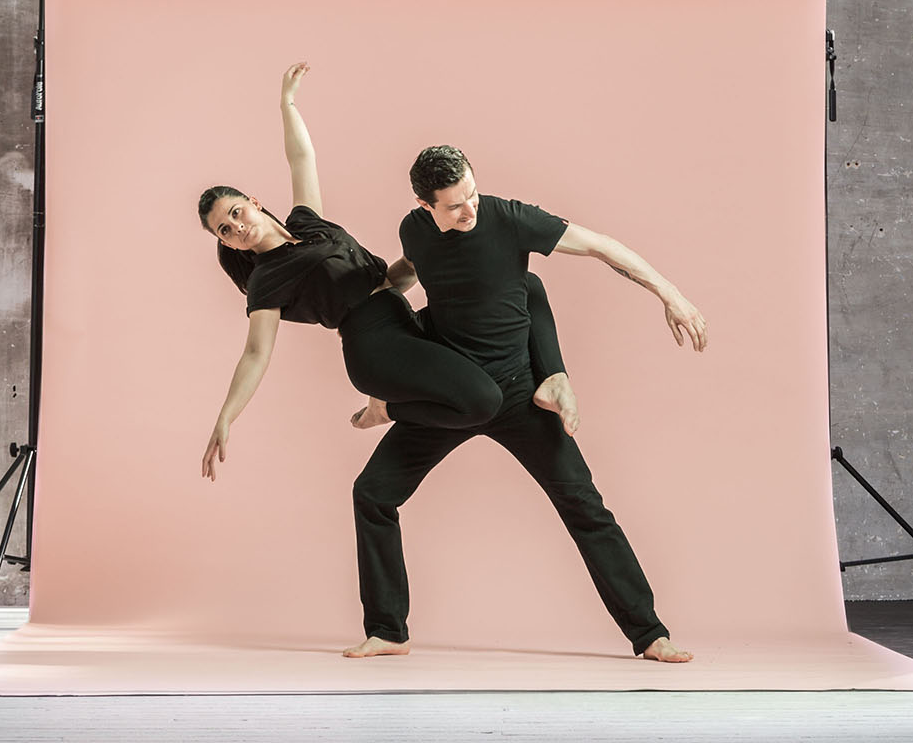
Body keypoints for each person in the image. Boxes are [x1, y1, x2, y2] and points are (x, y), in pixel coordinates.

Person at [344, 144, 707, 663]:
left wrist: (671, 294)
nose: (469, 209)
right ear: (425, 206)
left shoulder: (510, 218)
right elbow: (409, 269)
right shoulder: (414, 229)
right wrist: (371, 292)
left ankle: (650, 634)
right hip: (451, 391)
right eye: (453, 205)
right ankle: (387, 630)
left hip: (517, 393)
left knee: (584, 505)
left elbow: (602, 246)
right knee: (373, 494)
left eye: (471, 193)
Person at [198, 64, 579, 483]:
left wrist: (287, 103)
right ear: (228, 243)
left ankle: (552, 379)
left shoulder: (307, 223)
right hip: (372, 346)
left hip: (404, 322)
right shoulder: (265, 280)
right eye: (225, 231)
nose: (237, 227)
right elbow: (256, 354)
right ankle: (386, 409)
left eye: (236, 213)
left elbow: (301, 158)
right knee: (483, 399)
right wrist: (226, 417)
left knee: (524, 285)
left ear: (252, 202)